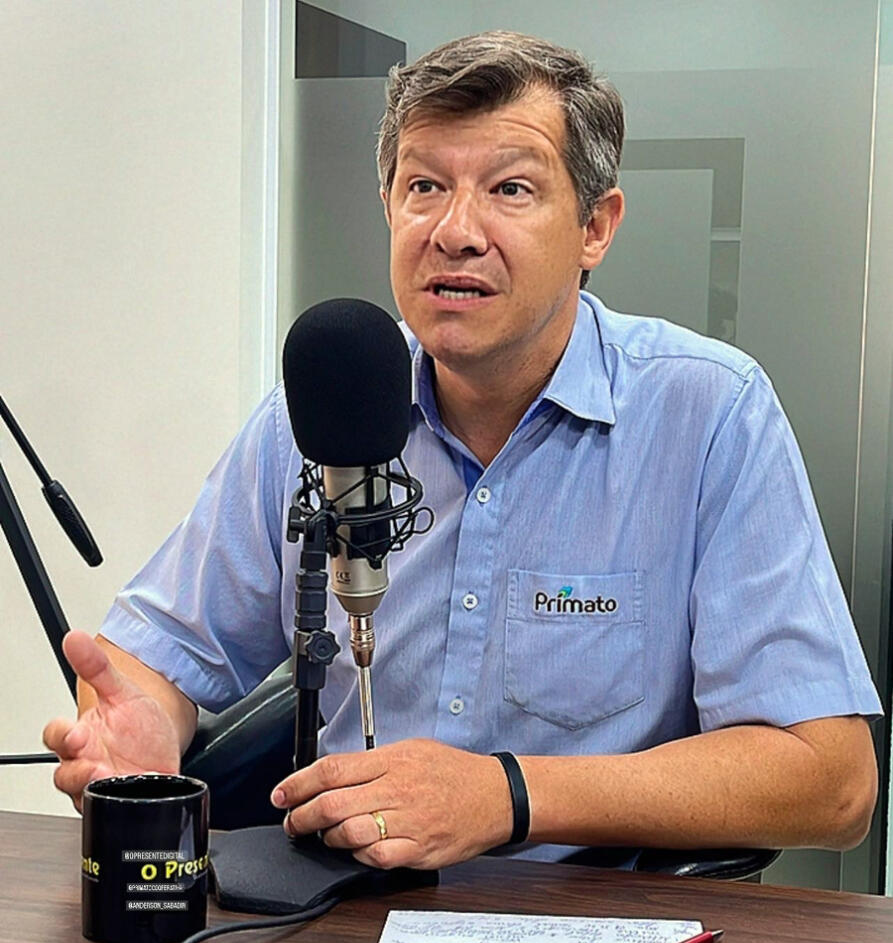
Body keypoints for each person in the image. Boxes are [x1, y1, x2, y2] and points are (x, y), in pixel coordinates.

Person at [44, 31, 881, 871]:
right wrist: (141, 730)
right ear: (388, 207)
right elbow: (149, 659)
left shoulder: (708, 413)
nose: (455, 231)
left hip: (588, 925)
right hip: (344, 911)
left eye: (509, 189)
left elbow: (831, 782)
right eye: (424, 187)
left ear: (594, 227)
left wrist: (506, 795)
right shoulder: (324, 413)